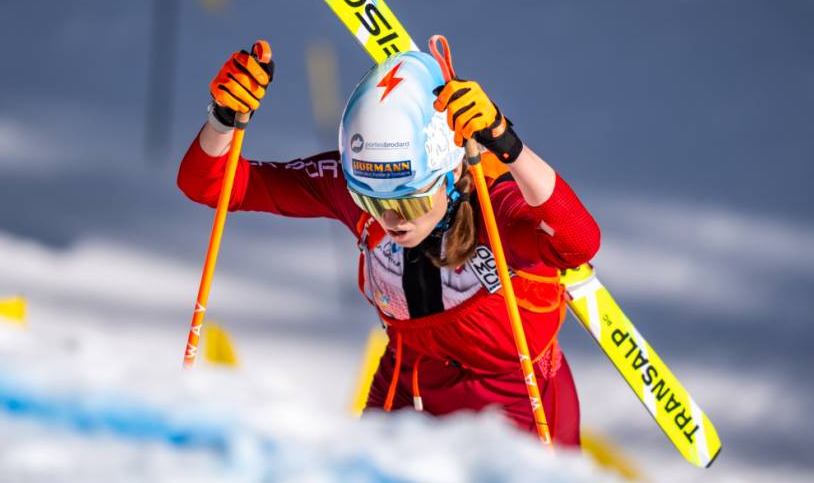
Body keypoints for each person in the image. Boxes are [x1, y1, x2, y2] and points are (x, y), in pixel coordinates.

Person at [177, 41, 600, 446]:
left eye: (409, 199)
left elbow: (579, 243)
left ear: (450, 173)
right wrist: (223, 120)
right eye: (371, 199)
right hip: (406, 385)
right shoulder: (354, 185)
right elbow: (211, 184)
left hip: (513, 406)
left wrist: (508, 145)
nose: (390, 219)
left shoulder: (496, 207)